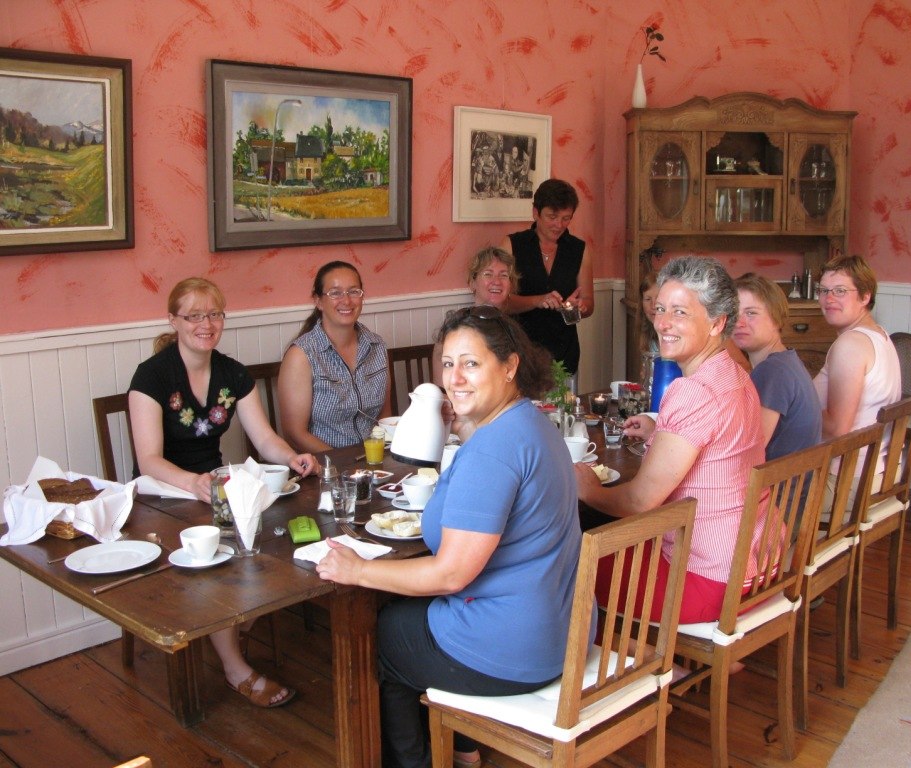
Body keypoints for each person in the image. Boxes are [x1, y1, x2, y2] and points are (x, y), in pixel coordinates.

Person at [316, 305, 587, 768]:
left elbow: (451, 575)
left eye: (471, 363)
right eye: (447, 363)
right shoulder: (531, 423)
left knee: (384, 634)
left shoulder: (493, 451)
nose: (454, 378)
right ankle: (462, 746)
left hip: (515, 648)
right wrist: (463, 425)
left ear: (510, 366)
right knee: (405, 615)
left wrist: (358, 569)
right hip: (561, 629)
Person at [128, 277, 319, 708]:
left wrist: (292, 457)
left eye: (214, 314)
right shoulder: (152, 376)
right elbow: (149, 461)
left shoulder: (232, 372)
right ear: (173, 320)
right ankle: (236, 669)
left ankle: (237, 619)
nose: (205, 324)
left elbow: (265, 438)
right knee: (216, 559)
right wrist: (193, 483)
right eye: (194, 315)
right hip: (160, 495)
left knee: (273, 533)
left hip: (215, 487)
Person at [575, 256, 765, 625]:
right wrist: (661, 431)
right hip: (750, 562)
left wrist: (587, 489)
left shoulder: (693, 390)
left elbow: (639, 500)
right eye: (660, 309)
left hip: (708, 581)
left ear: (717, 322)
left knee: (567, 570)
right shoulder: (737, 376)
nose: (662, 323)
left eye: (680, 312)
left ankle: (646, 664)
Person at [278, 261, 390, 452]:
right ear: (318, 301)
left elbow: (385, 418)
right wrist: (344, 464)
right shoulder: (301, 355)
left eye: (354, 291)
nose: (346, 301)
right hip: (324, 467)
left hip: (374, 460)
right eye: (335, 293)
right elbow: (295, 434)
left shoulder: (377, 346)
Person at [813, 255, 901, 481]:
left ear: (865, 296)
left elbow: (837, 428)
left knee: (756, 497)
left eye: (840, 291)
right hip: (875, 473)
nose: (829, 298)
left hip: (844, 481)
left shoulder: (850, 345)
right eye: (823, 290)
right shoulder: (880, 335)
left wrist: (794, 410)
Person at [501, 178, 594, 377]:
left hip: (564, 354)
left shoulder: (578, 249)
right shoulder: (512, 246)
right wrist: (538, 300)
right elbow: (501, 302)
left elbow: (588, 303)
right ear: (536, 213)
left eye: (566, 218)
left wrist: (578, 307)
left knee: (564, 408)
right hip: (521, 354)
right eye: (552, 217)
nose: (559, 225)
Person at [732, 273, 822, 460]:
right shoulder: (786, 360)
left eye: (751, 313)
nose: (739, 323)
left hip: (783, 488)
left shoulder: (772, 371)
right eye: (733, 313)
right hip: (796, 482)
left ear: (776, 319)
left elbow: (748, 450)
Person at [432, 246, 520, 384]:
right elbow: (444, 387)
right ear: (473, 283)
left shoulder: (514, 328)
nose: (496, 281)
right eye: (488, 274)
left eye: (503, 275)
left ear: (511, 285)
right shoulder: (456, 329)